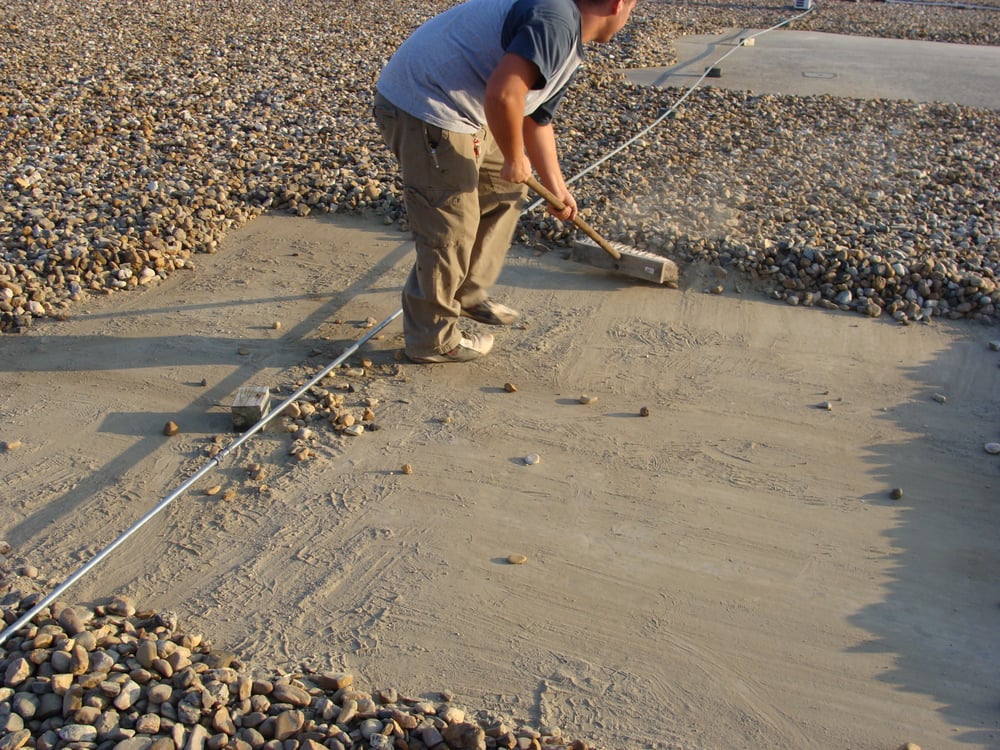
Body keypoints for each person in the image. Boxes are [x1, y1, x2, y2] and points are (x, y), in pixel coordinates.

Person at [374, 0, 637, 363]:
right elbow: (503, 95)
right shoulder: (556, 19)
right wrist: (515, 157)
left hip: (466, 109)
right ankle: (432, 339)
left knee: (503, 192)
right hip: (425, 105)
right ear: (617, 4)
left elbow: (534, 119)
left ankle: (466, 293)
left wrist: (556, 187)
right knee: (450, 225)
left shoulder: (569, 39)